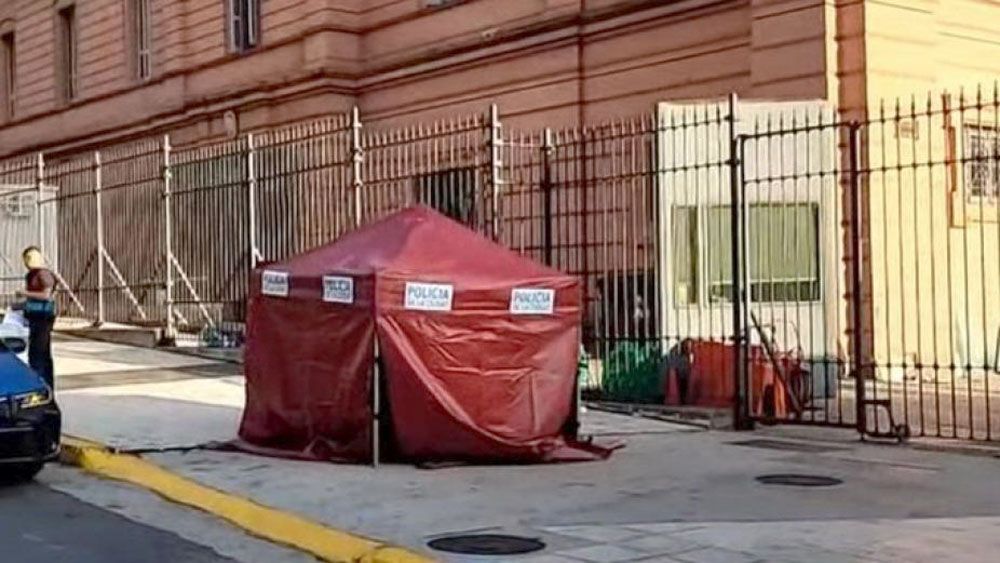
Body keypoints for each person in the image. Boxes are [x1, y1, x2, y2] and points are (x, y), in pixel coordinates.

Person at [16, 246, 56, 389]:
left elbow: (46, 296)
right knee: (36, 354)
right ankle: (42, 385)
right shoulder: (31, 275)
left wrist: (25, 293)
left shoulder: (43, 274)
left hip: (43, 319)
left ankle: (42, 386)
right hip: (33, 317)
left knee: (39, 355)